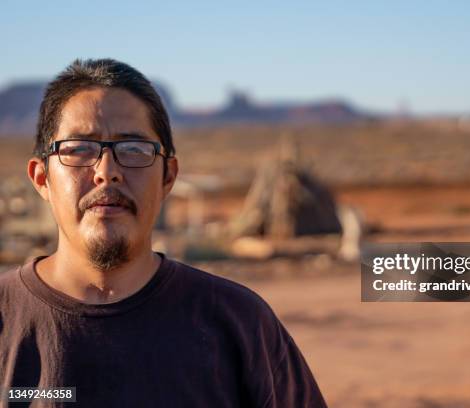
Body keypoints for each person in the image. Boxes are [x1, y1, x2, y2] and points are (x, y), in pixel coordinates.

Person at [0, 59, 327, 407]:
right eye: (80, 149)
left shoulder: (239, 323)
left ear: (168, 177)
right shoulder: (5, 320)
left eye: (134, 150)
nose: (106, 172)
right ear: (41, 178)